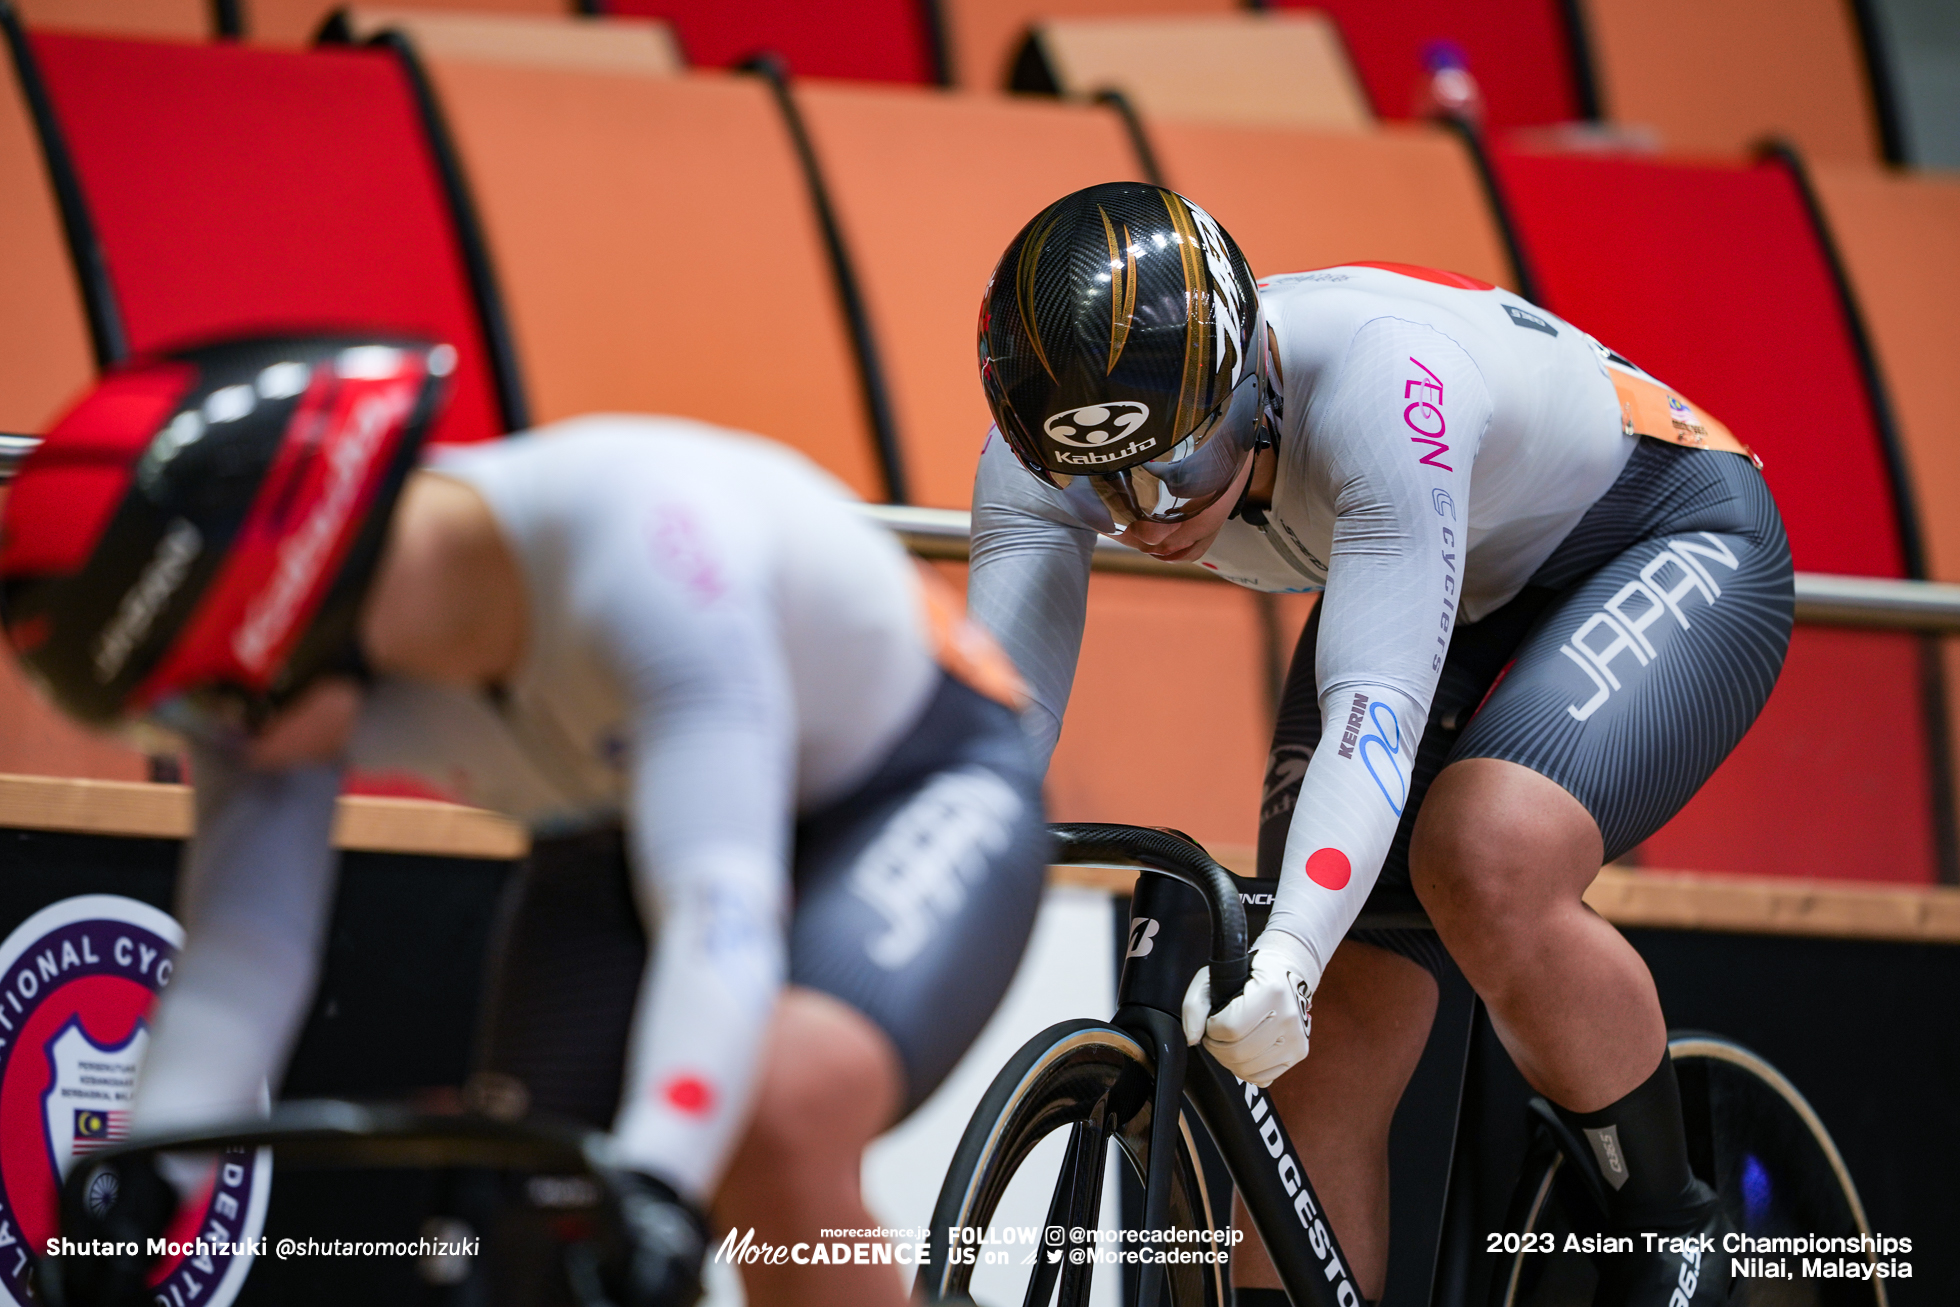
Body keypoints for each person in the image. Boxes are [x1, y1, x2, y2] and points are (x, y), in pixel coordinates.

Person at [0, 334, 1048, 1307]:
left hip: (914, 771)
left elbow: (716, 907)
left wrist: (661, 1177)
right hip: (620, 827)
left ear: (290, 602)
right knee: (512, 1228)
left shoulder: (642, 548)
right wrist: (136, 1188)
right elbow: (242, 954)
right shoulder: (278, 685)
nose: (206, 738)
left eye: (197, 701)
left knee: (773, 1116)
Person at [969, 182, 1792, 1306]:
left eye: (1179, 470)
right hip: (1442, 564)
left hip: (1665, 528)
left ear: (1252, 379)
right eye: (1104, 488)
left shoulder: (1379, 384)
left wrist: (1297, 941)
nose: (1150, 518)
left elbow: (1373, 712)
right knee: (1313, 1047)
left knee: (1484, 853)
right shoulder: (1049, 437)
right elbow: (992, 722)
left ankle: (1673, 1217)